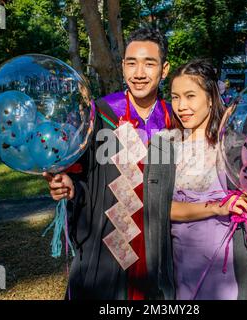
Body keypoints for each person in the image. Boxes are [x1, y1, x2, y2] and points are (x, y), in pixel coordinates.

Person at [146, 59, 247, 300]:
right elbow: (159, 208)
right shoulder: (164, 144)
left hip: (231, 266)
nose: (181, 106)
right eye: (175, 97)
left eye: (190, 96)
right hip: (182, 263)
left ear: (210, 98)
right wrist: (217, 207)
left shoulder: (236, 146)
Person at [43, 28, 175, 300]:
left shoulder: (176, 119)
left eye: (149, 63)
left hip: (162, 245)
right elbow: (82, 174)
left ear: (164, 70)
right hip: (107, 244)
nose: (139, 73)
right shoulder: (100, 114)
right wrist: (69, 186)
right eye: (131, 63)